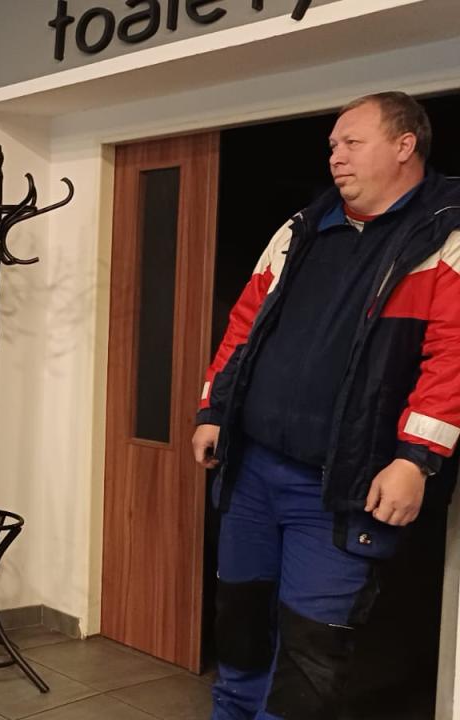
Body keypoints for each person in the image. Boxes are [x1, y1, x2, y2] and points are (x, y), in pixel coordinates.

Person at [193, 92, 460, 719]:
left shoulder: (444, 236)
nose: (335, 156)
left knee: (308, 660)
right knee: (239, 632)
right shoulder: (301, 229)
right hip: (252, 474)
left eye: (351, 143)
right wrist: (213, 410)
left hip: (339, 491)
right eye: (333, 146)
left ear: (405, 145)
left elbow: (453, 357)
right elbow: (244, 326)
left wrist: (416, 459)